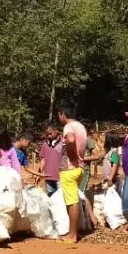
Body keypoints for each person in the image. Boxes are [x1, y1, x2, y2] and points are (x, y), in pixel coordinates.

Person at [56, 101, 88, 243]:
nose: (59, 117)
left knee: (72, 201)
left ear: (63, 113)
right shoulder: (81, 126)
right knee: (72, 199)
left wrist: (72, 155)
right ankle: (72, 232)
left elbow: (70, 140)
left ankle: (72, 235)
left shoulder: (68, 126)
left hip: (70, 168)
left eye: (59, 114)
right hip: (79, 167)